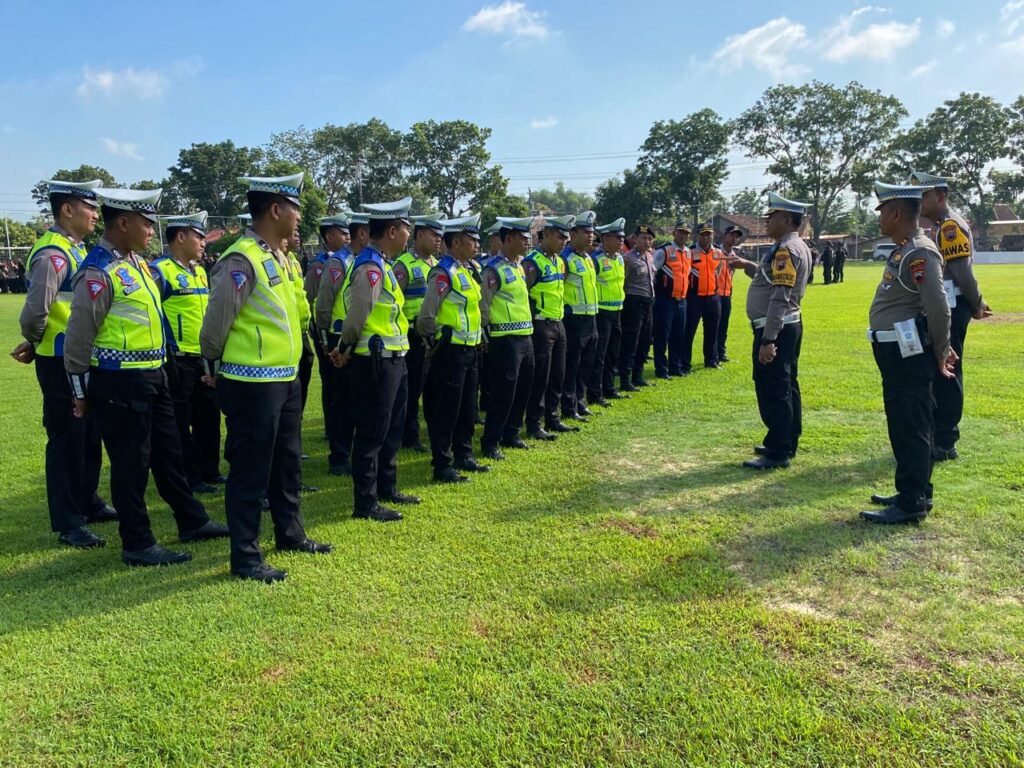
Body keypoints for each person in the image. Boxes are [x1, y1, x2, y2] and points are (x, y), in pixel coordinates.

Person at [64, 188, 229, 566]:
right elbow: (78, 339)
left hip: (154, 376)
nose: (153, 230)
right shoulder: (98, 271)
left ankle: (192, 520)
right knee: (131, 464)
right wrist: (79, 390)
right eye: (146, 223)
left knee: (169, 455)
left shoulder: (136, 264)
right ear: (123, 223)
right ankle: (137, 543)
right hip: (119, 382)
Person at [200, 173, 332, 583]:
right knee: (250, 471)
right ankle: (246, 557)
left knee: (287, 463)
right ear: (275, 210)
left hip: (284, 379)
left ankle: (290, 533)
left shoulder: (278, 256)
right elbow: (215, 325)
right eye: (296, 209)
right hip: (251, 382)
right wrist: (214, 367)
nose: (299, 218)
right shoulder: (242, 259)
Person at [11, 179, 115, 549]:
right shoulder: (52, 253)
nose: (94, 214)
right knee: (67, 436)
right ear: (67, 210)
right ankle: (69, 522)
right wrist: (37, 341)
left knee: (89, 435)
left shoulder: (75, 250)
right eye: (88, 207)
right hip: (59, 360)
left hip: (79, 356)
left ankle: (87, 501)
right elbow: (36, 311)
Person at [861, 181, 955, 525]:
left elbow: (939, 307)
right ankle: (912, 491)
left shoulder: (920, 252)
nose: (879, 219)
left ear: (897, 213)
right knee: (904, 424)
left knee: (911, 425)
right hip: (896, 351)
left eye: (882, 212)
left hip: (908, 354)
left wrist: (943, 349)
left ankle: (912, 500)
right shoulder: (904, 249)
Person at [329, 197, 421, 521]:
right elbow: (358, 314)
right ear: (393, 230)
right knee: (371, 433)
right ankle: (365, 503)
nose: (409, 235)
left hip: (394, 359)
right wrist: (345, 347)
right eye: (407, 229)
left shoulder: (381, 262)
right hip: (375, 361)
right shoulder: (370, 265)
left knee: (392, 429)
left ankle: (387, 488)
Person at [910, 170, 993, 463]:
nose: (919, 202)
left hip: (953, 306)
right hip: (948, 304)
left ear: (940, 197)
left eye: (924, 196)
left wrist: (978, 303)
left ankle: (945, 440)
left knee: (947, 371)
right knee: (939, 369)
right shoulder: (940, 225)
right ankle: (938, 435)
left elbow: (962, 274)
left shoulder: (949, 228)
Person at [727, 192, 812, 470]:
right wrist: (748, 266)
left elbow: (779, 295)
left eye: (772, 216)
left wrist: (769, 339)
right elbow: (770, 278)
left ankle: (779, 449)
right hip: (787, 325)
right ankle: (787, 438)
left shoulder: (787, 250)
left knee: (774, 388)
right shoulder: (791, 246)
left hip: (776, 328)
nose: (766, 220)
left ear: (787, 219)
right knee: (787, 385)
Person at [149, 211, 224, 495]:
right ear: (180, 237)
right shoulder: (160, 271)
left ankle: (211, 471)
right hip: (178, 360)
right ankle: (190, 477)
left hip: (204, 358)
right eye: (199, 237)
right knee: (181, 421)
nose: (204, 243)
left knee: (209, 419)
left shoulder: (200, 271)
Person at [416, 214, 490, 482]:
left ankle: (464, 454)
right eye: (473, 241)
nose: (477, 246)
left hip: (470, 349)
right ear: (457, 242)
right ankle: (442, 464)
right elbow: (426, 317)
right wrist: (437, 341)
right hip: (450, 351)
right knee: (447, 409)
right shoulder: (443, 272)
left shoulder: (468, 270)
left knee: (468, 407)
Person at [315, 212, 370, 476]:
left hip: (360, 339)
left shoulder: (366, 259)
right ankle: (339, 458)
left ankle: (353, 451)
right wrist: (327, 342)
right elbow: (324, 304)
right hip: (339, 338)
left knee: (359, 399)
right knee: (341, 401)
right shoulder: (339, 262)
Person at [478, 216, 536, 460]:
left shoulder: (518, 267)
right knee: (503, 393)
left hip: (525, 337)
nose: (527, 243)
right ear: (508, 239)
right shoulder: (493, 269)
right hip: (505, 339)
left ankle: (511, 434)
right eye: (523, 239)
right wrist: (485, 335)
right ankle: (491, 442)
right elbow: (483, 304)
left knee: (523, 389)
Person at [394, 214, 443, 453]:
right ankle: (409, 436)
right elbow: (395, 302)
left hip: (435, 337)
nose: (438, 240)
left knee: (434, 389)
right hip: (413, 337)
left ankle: (433, 430)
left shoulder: (436, 265)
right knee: (412, 390)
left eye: (440, 236)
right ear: (419, 234)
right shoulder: (403, 265)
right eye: (434, 235)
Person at [523, 215, 575, 440]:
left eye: (567, 238)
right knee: (540, 377)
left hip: (558, 323)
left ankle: (553, 418)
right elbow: (524, 293)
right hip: (541, 325)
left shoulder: (560, 261)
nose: (565, 241)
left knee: (557, 374)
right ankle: (534, 424)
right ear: (548, 235)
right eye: (561, 237)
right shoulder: (532, 262)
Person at [306, 215, 350, 442]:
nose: (347, 237)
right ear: (329, 235)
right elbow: (312, 300)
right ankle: (332, 428)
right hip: (327, 333)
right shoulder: (319, 265)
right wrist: (322, 338)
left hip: (345, 334)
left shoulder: (350, 260)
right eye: (343, 233)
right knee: (332, 383)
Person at [560, 211, 599, 421]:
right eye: (585, 232)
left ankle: (580, 401)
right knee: (571, 365)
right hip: (573, 319)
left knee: (586, 364)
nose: (590, 236)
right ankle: (569, 406)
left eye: (592, 232)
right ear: (572, 234)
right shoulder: (565, 259)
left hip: (590, 317)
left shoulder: (588, 259)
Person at [588, 217, 627, 404]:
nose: (621, 241)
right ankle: (595, 393)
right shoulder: (595, 260)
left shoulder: (619, 259)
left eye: (622, 237)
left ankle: (610, 388)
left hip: (617, 311)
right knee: (600, 356)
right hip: (602, 313)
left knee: (613, 353)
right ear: (605, 239)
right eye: (617, 237)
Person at [618, 225, 656, 391]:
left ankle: (638, 376)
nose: (647, 241)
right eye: (643, 238)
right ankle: (625, 379)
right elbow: (623, 283)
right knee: (630, 341)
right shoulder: (628, 258)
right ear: (635, 239)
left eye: (649, 238)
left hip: (648, 302)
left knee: (645, 341)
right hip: (633, 302)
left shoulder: (650, 256)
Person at [681, 224, 723, 371]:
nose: (706, 237)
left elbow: (718, 271)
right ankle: (684, 363)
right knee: (689, 331)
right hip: (694, 298)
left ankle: (711, 360)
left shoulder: (718, 252)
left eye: (708, 234)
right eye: (702, 234)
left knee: (712, 331)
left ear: (713, 235)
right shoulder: (689, 252)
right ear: (697, 236)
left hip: (713, 297)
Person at [651, 221, 691, 379]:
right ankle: (661, 370)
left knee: (678, 336)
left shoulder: (688, 252)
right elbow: (652, 272)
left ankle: (675, 367)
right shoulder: (664, 251)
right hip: (665, 300)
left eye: (686, 233)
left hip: (682, 301)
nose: (683, 235)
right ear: (674, 233)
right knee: (662, 336)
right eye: (680, 232)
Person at [717, 225, 743, 363]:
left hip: (727, 293)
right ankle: (712, 354)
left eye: (736, 236)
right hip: (715, 293)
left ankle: (721, 352)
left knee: (724, 325)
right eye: (731, 235)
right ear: (724, 235)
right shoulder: (716, 252)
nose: (734, 238)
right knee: (714, 326)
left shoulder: (734, 255)